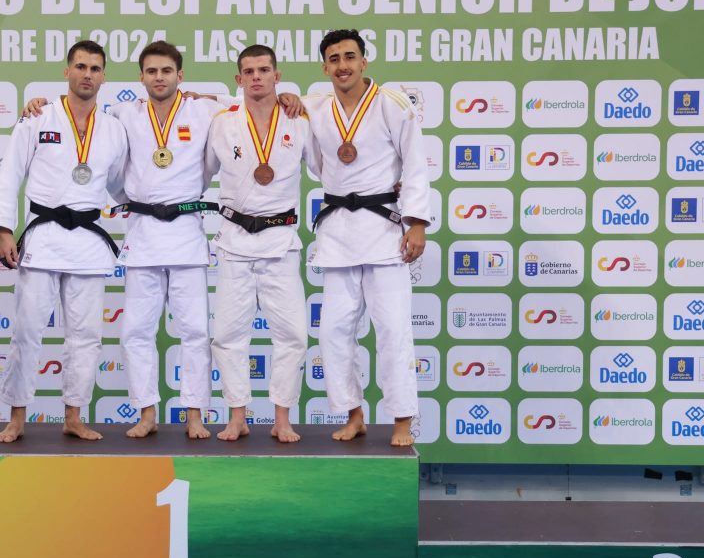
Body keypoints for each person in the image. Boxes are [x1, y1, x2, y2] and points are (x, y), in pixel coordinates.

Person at [22, 44, 302, 440]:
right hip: (142, 231)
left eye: (166, 70)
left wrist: (291, 96)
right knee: (136, 331)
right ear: (141, 78)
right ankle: (146, 412)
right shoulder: (121, 115)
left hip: (187, 232)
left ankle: (194, 415)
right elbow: (87, 130)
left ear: (180, 76)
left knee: (193, 332)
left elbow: (250, 101)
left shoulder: (206, 110)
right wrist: (38, 105)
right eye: (151, 71)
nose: (159, 77)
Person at [0, 39, 127, 443]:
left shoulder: (114, 129)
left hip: (87, 243)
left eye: (95, 68)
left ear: (103, 75)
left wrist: (150, 205)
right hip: (43, 237)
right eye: (80, 67)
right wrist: (2, 230)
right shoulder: (37, 117)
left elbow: (119, 185)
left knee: (86, 336)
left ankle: (74, 415)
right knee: (28, 330)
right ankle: (16, 417)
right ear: (67, 72)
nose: (87, 75)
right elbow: (10, 174)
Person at [303, 29, 431, 446]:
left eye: (350, 57)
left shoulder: (393, 106)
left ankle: (400, 421)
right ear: (325, 67)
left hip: (384, 229)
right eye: (334, 59)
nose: (342, 65)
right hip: (339, 230)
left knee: (392, 330)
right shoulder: (315, 110)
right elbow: (263, 110)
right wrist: (200, 99)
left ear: (364, 61)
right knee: (334, 332)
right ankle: (353, 413)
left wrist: (417, 223)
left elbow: (415, 165)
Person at [205, 44, 319, 443]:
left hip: (280, 241)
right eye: (248, 71)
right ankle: (237, 415)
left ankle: (282, 417)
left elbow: (326, 168)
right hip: (235, 240)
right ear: (239, 79)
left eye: (264, 70)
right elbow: (199, 170)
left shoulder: (300, 119)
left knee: (293, 336)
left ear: (277, 74)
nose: (256, 77)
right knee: (228, 336)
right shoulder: (221, 122)